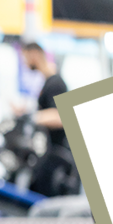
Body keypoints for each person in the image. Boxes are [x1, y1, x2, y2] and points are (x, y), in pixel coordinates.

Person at [20, 42, 79, 196]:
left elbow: (59, 116)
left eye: (26, 58)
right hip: (47, 153)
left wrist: (31, 117)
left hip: (57, 154)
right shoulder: (48, 82)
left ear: (35, 55)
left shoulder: (56, 83)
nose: (25, 63)